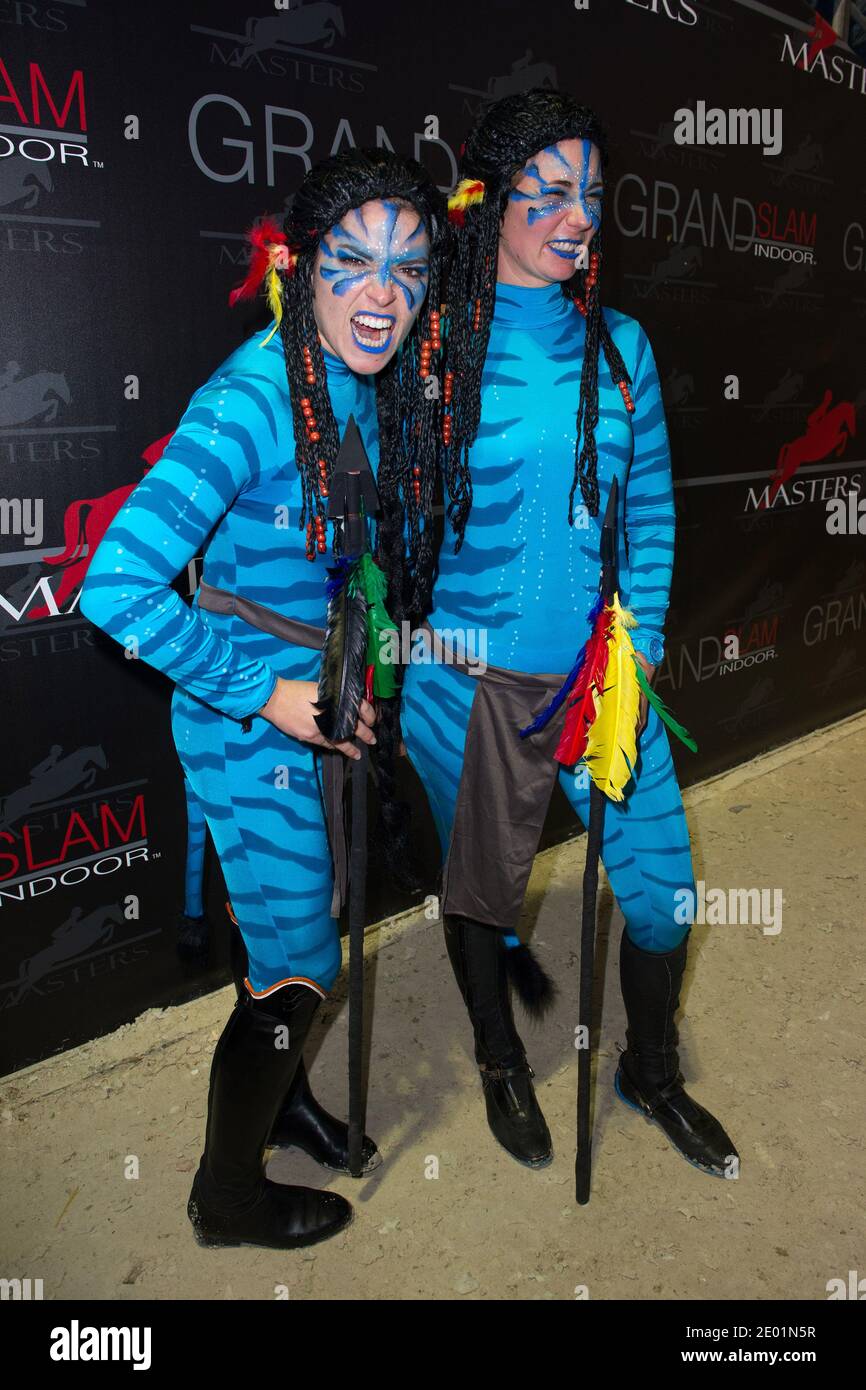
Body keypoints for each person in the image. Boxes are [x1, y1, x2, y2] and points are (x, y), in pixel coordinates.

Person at [80, 149, 446, 1250]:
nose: (382, 293)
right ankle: (224, 1196)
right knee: (301, 963)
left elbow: (344, 563)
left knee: (291, 944)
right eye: (353, 263)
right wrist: (269, 693)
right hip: (248, 726)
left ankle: (281, 1100)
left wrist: (359, 669)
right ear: (300, 266)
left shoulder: (356, 381)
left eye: (409, 269)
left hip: (312, 703)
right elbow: (116, 588)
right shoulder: (249, 400)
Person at [401, 90, 738, 1179]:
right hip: (464, 681)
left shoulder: (622, 346)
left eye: (589, 193)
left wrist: (630, 651)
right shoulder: (431, 341)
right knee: (483, 891)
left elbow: (648, 514)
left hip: (597, 679)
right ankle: (499, 1057)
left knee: (663, 891)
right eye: (544, 192)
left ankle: (650, 1066)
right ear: (486, 202)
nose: (575, 214)